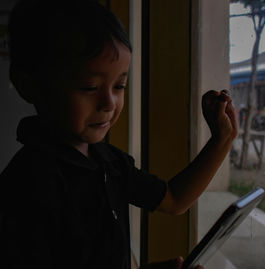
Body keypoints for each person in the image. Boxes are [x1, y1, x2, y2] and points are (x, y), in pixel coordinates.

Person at [0, 0, 238, 268]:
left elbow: (173, 199)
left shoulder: (108, 161)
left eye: (120, 85)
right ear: (28, 84)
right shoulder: (27, 188)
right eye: (90, 87)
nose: (109, 103)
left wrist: (221, 141)